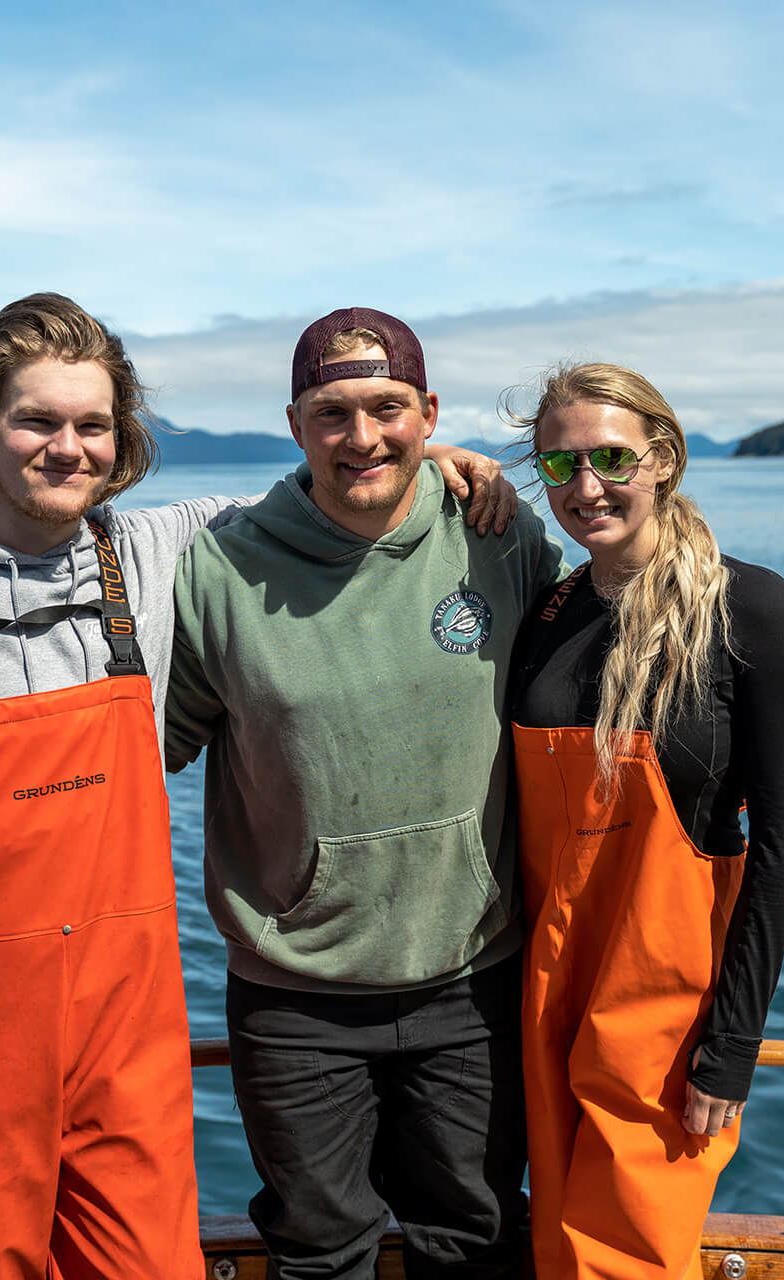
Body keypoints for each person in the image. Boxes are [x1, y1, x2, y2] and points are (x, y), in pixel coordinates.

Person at [0, 293, 514, 1280]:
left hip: (129, 1037)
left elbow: (334, 484)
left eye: (92, 424)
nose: (68, 448)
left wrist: (435, 458)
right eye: (37, 420)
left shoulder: (153, 558)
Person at [164, 307, 566, 1279]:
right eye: (332, 412)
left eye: (388, 407)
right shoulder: (219, 571)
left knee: (469, 1238)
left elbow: (587, 686)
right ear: (296, 424)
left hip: (472, 975)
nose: (362, 436)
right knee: (316, 1252)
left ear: (429, 412)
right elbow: (140, 754)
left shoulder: (498, 539)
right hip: (293, 995)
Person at [505, 363, 784, 1278]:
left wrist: (731, 1047)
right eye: (559, 466)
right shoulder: (551, 612)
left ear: (665, 460)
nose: (586, 487)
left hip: (667, 1019)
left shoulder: (750, 610)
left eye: (610, 457)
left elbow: (783, 848)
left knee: (630, 1257)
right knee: (554, 1247)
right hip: (543, 997)